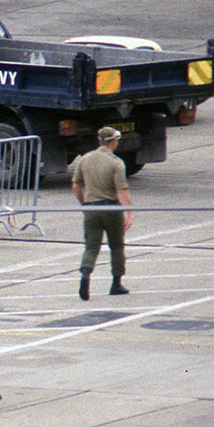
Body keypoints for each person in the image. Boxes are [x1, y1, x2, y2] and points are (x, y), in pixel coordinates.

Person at [70, 125, 134, 300]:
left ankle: (86, 272)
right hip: (111, 208)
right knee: (117, 246)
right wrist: (130, 212)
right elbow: (122, 191)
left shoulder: (85, 159)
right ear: (113, 142)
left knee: (91, 247)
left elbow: (76, 185)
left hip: (92, 208)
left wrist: (84, 203)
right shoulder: (116, 163)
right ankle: (116, 283)